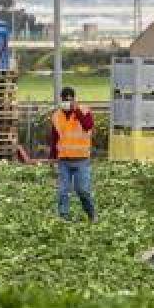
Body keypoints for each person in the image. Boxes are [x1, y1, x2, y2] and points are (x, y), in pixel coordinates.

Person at [49, 86, 97, 222]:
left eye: (69, 100)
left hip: (81, 159)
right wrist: (52, 158)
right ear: (61, 100)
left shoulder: (84, 111)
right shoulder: (57, 116)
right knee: (63, 191)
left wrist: (76, 110)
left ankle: (91, 213)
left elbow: (88, 125)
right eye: (64, 100)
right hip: (64, 160)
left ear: (74, 99)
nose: (66, 103)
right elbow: (54, 138)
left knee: (82, 190)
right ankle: (63, 217)